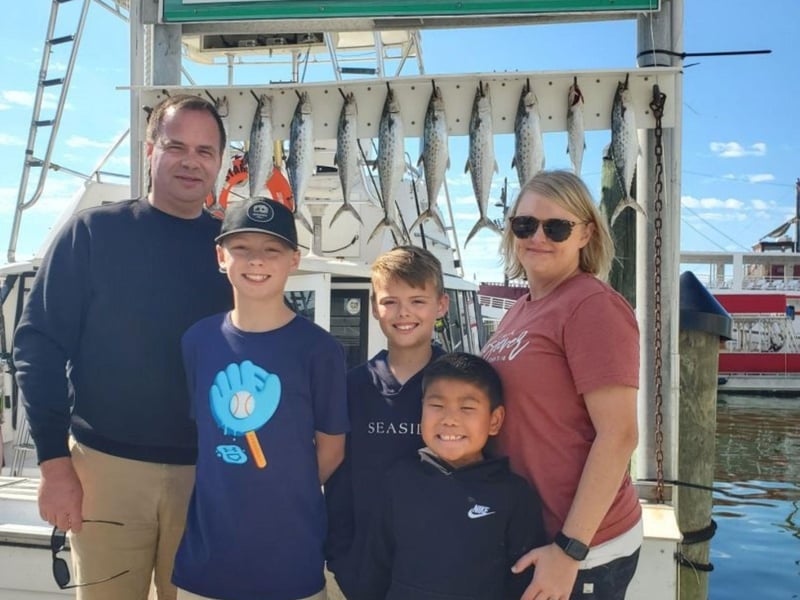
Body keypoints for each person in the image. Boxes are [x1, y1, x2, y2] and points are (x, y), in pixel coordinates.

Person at [13, 94, 233, 600]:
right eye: (176, 146)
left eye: (205, 151)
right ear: (150, 149)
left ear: (219, 162)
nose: (190, 161)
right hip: (105, 473)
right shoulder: (92, 233)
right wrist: (53, 465)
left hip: (210, 477)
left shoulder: (236, 252)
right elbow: (38, 346)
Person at [172, 197, 349, 600]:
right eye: (242, 249)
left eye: (272, 250)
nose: (256, 261)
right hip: (208, 562)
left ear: (294, 260)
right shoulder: (197, 341)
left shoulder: (320, 349)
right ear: (221, 256)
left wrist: (277, 489)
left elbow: (332, 450)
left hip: (290, 560)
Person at [482, 170, 641, 600]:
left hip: (582, 546)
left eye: (556, 227)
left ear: (586, 233)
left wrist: (569, 551)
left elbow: (620, 434)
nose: (538, 236)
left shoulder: (592, 306)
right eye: (524, 224)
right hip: (531, 533)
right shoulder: (521, 310)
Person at [358, 352, 546, 600]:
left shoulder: (514, 495)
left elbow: (522, 583)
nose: (449, 420)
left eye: (467, 408)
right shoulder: (398, 480)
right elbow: (376, 568)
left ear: (494, 420)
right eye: (436, 406)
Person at [324, 245, 450, 599]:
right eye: (390, 301)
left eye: (417, 300)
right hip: (358, 569)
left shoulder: (462, 388)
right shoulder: (351, 387)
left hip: (437, 572)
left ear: (441, 305)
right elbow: (337, 475)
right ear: (374, 308)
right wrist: (341, 557)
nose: (403, 312)